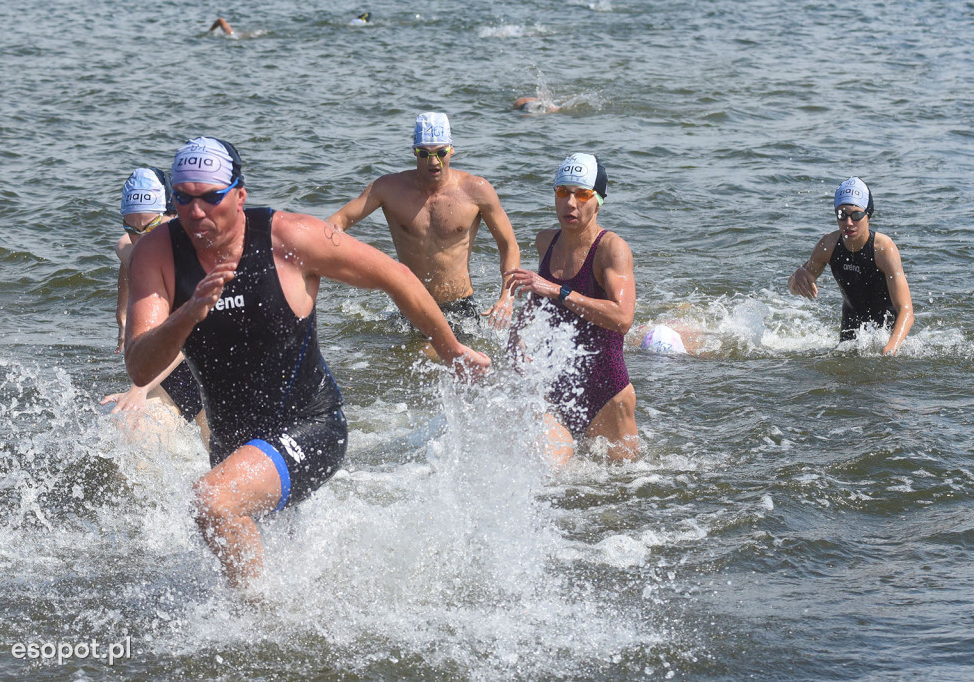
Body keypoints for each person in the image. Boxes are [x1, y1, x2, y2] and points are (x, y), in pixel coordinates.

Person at [124, 137, 490, 588]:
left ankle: (256, 632)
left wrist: (452, 349)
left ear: (239, 195)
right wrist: (187, 314)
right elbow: (140, 367)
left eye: (210, 197)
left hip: (311, 426)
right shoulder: (157, 253)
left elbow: (396, 276)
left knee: (212, 502)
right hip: (233, 441)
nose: (195, 212)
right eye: (183, 198)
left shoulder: (290, 238)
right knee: (271, 558)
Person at [327, 112, 521, 332]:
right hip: (410, 305)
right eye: (424, 153)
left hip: (459, 308)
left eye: (441, 152)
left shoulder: (476, 190)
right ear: (414, 152)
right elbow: (337, 222)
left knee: (435, 358)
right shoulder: (388, 189)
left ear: (452, 149)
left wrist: (507, 296)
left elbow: (509, 245)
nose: (433, 161)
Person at [506, 153, 638, 464]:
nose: (570, 203)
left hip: (606, 394)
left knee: (624, 487)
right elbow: (537, 297)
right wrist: (517, 333)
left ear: (599, 200)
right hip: (557, 388)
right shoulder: (546, 241)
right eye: (563, 192)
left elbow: (622, 318)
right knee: (549, 479)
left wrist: (557, 290)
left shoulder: (611, 249)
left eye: (582, 194)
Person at [101, 168, 208, 444]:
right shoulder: (140, 248)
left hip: (217, 375)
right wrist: (122, 311)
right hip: (173, 375)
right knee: (132, 435)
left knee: (225, 471)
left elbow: (186, 339)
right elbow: (126, 252)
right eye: (131, 227)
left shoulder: (197, 262)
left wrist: (139, 388)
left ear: (176, 215)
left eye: (150, 227)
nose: (142, 239)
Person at [787, 176, 913, 355]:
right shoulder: (828, 245)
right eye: (842, 215)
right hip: (850, 326)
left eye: (856, 215)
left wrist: (891, 347)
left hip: (887, 330)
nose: (848, 223)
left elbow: (906, 310)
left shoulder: (883, 248)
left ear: (868, 214)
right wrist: (797, 276)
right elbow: (794, 287)